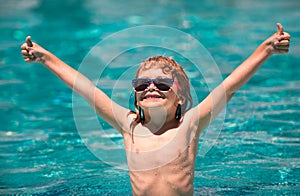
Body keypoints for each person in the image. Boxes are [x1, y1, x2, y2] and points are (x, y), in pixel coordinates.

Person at [21, 23, 290, 195]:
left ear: (181, 96)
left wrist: (266, 49)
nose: (151, 87)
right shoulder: (130, 126)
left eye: (162, 83)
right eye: (142, 84)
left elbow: (229, 87)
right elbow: (87, 89)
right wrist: (46, 58)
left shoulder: (190, 124)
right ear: (136, 96)